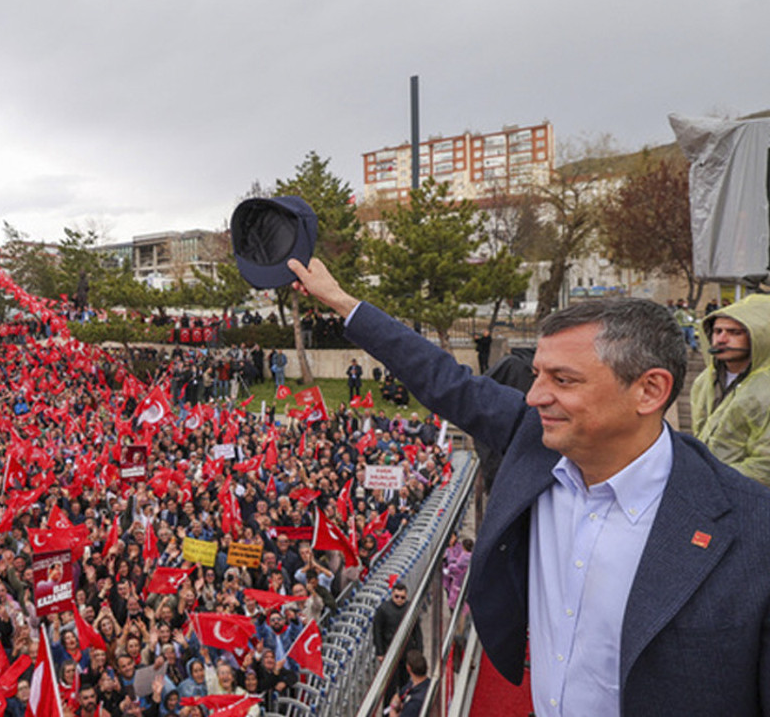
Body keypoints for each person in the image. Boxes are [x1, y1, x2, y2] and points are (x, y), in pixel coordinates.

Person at [288, 256, 770, 716]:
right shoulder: (533, 437)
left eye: (563, 379)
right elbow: (440, 377)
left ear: (650, 390)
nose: (535, 396)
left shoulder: (753, 529)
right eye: (538, 374)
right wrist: (341, 301)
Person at [690, 294, 770, 486]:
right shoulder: (705, 380)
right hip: (708, 488)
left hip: (750, 494)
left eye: (734, 333)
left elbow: (765, 465)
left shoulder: (765, 388)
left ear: (759, 336)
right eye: (717, 331)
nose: (721, 339)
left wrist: (713, 478)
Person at [373, 582, 422, 704]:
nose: (399, 599)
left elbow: (417, 632)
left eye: (402, 597)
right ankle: (387, 711)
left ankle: (403, 709)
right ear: (392, 595)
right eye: (397, 596)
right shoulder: (383, 609)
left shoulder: (410, 608)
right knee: (390, 687)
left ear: (406, 597)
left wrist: (419, 651)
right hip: (389, 652)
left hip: (407, 652)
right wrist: (380, 652)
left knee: (405, 684)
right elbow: (377, 631)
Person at [387, 650, 429, 717]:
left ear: (408, 668)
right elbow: (398, 696)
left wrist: (392, 711)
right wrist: (394, 705)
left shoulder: (415, 703)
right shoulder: (415, 683)